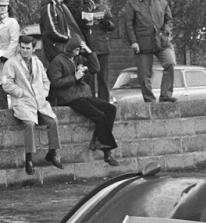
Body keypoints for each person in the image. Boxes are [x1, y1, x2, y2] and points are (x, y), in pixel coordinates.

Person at [47, 34, 119, 166]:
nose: (78, 52)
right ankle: (107, 152)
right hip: (69, 97)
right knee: (99, 116)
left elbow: (96, 69)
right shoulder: (57, 61)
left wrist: (90, 53)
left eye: (79, 49)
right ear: (70, 49)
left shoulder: (78, 58)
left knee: (111, 109)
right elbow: (55, 83)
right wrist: (75, 77)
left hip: (83, 94)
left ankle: (97, 140)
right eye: (75, 49)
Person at [2, 36, 63, 175]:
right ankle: (29, 159)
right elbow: (6, 84)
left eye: (28, 48)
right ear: (19, 47)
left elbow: (46, 81)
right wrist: (21, 92)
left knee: (53, 121)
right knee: (29, 124)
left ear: (33, 49)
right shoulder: (11, 63)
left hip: (39, 102)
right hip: (23, 102)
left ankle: (53, 153)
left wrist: (43, 93)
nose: (24, 50)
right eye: (22, 47)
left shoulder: (37, 62)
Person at [122, 0, 177, 103]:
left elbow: (169, 19)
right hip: (142, 43)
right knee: (144, 74)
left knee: (170, 63)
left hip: (162, 41)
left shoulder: (162, 2)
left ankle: (166, 96)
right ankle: (149, 100)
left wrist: (166, 31)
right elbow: (128, 24)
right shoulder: (131, 3)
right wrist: (133, 42)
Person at [0, 0, 20, 110]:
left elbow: (14, 41)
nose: (2, 8)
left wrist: (6, 56)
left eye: (4, 6)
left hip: (8, 60)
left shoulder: (12, 22)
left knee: (8, 85)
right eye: (0, 6)